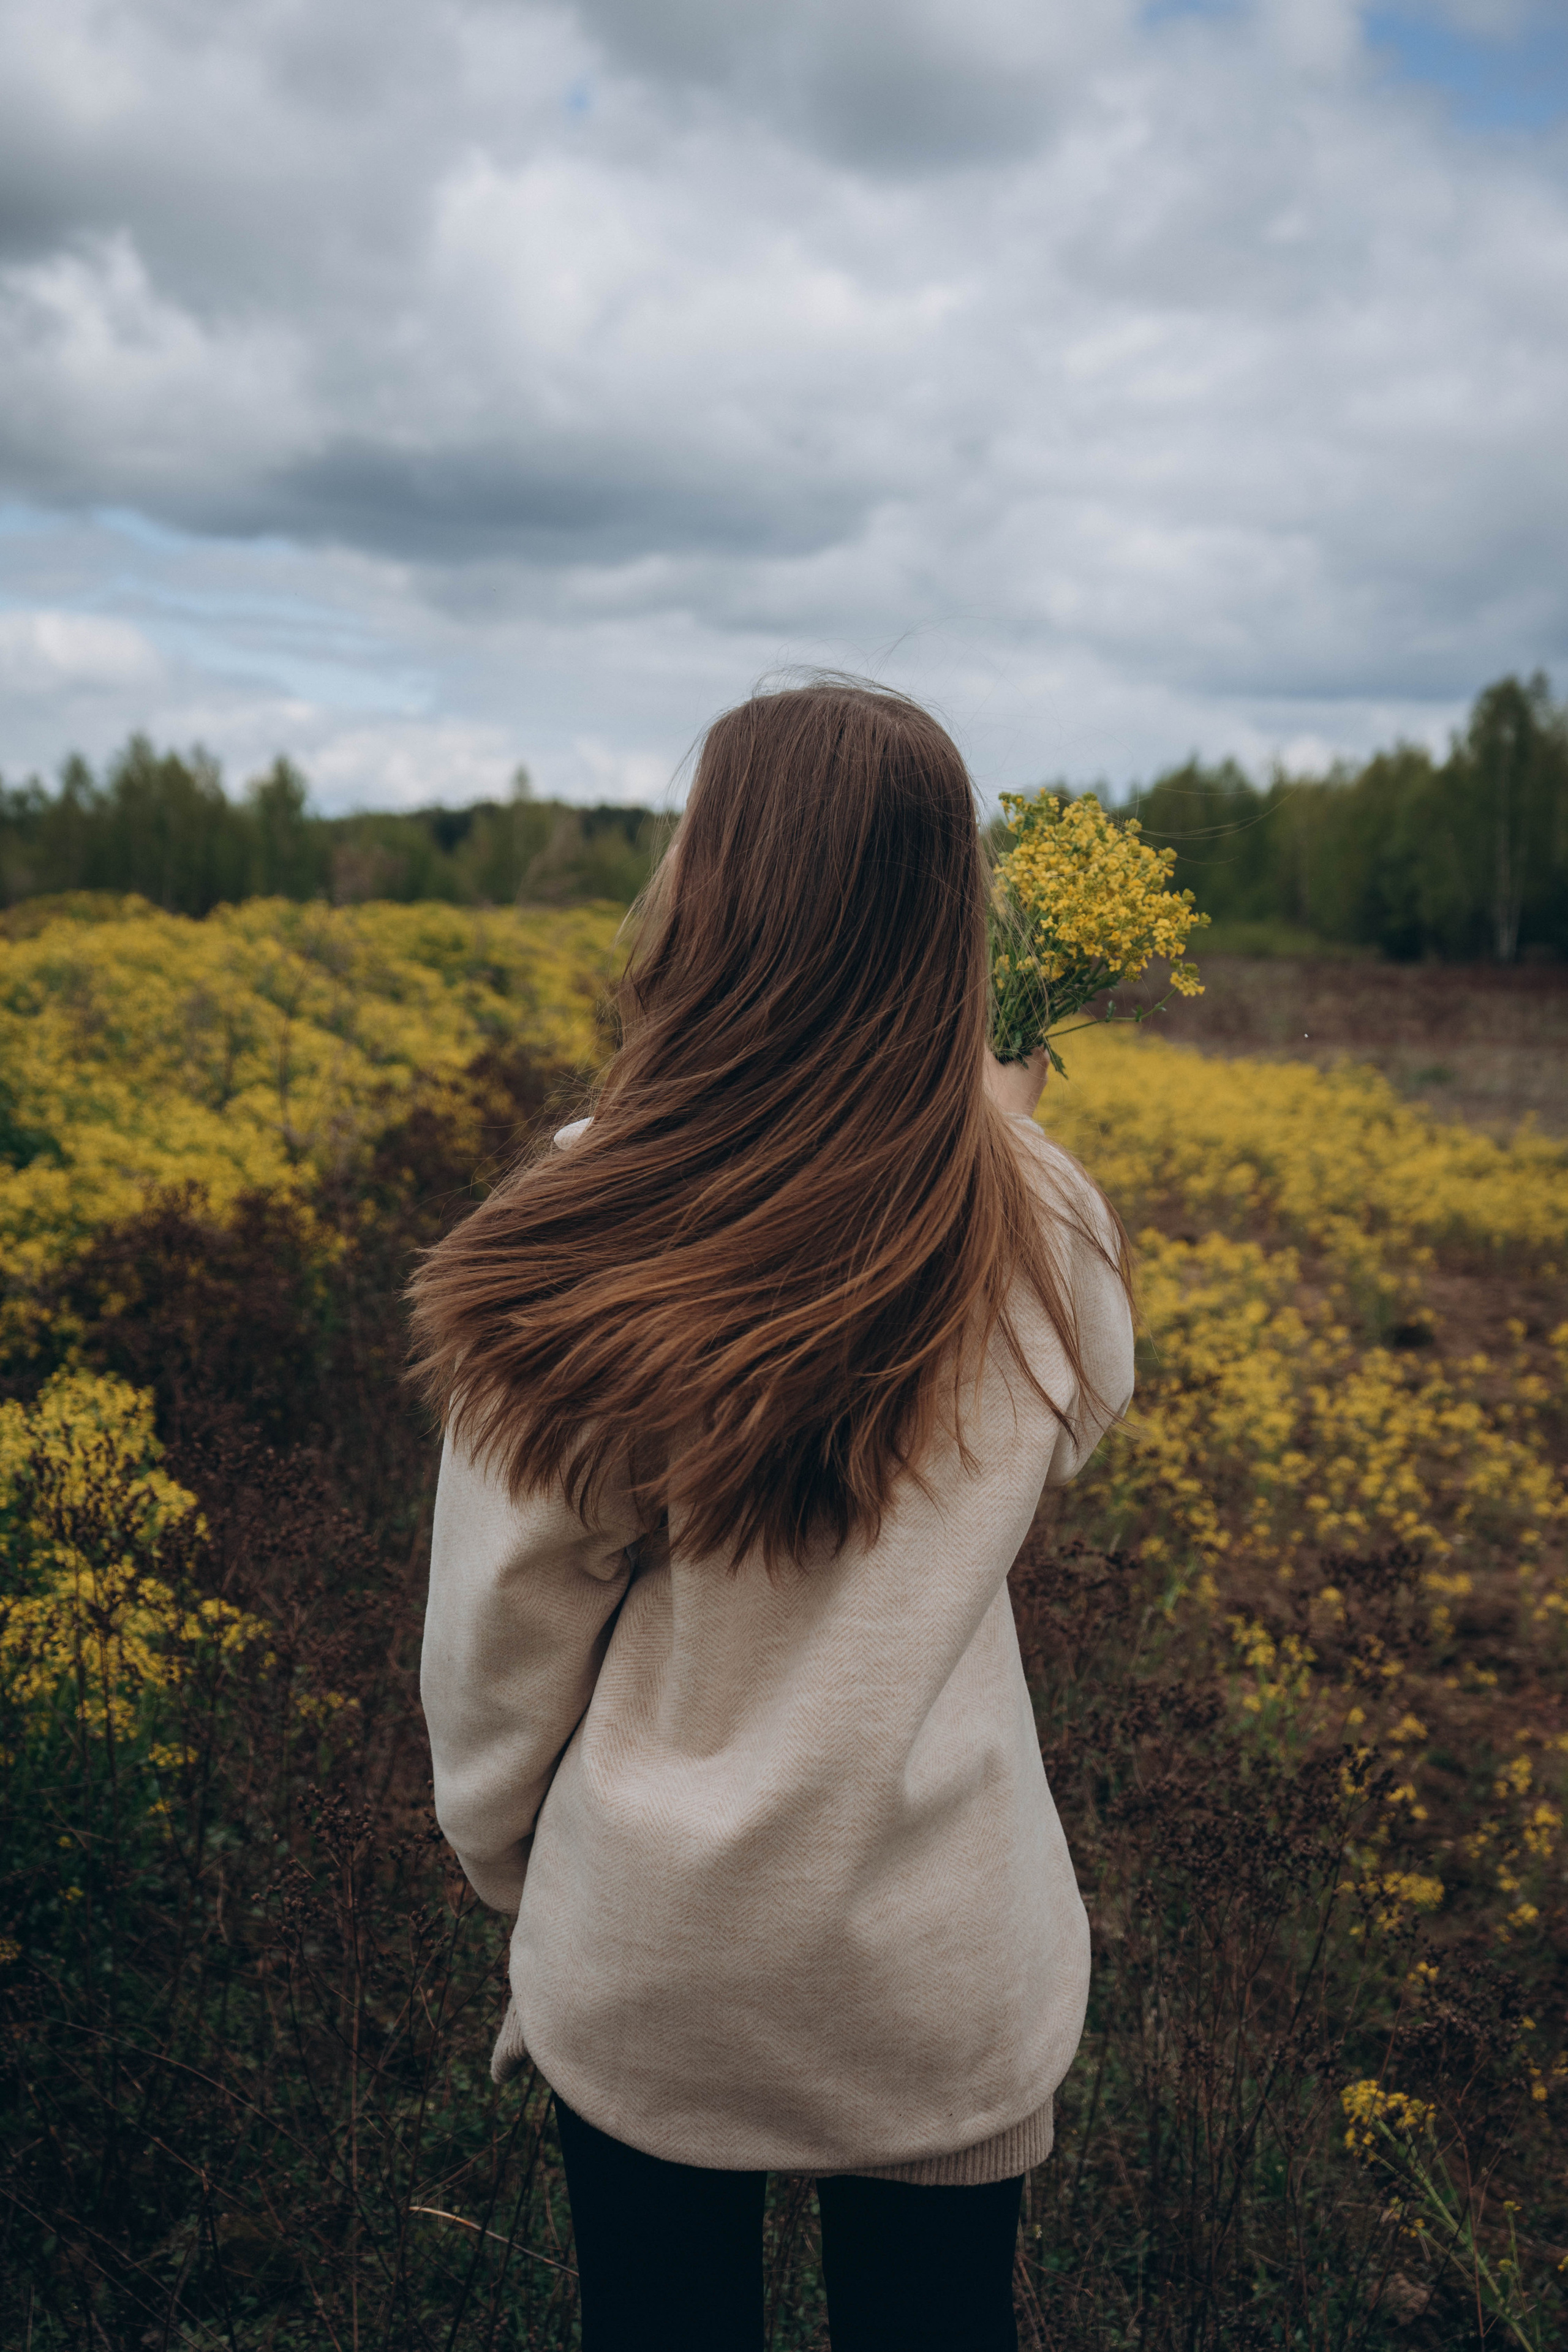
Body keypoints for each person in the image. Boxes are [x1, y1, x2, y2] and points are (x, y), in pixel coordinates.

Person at [410, 680, 1134, 2351]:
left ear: (714, 894)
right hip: (941, 1970)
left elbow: (497, 1666)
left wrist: (527, 1882)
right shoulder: (1041, 1213)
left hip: (655, 1964)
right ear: (948, 920)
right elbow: (1074, 1424)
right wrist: (1001, 1141)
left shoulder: (583, 1211)